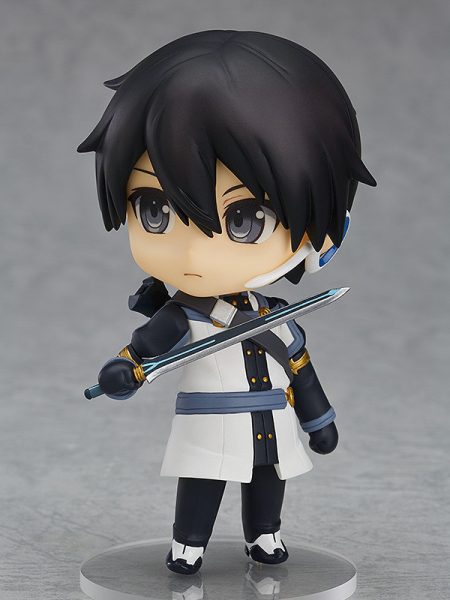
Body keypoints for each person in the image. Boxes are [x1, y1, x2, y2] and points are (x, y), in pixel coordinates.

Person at [78, 30, 376, 575]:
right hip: (210, 422)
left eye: (244, 219)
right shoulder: (185, 313)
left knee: (269, 479)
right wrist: (125, 368)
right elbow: (145, 348)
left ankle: (264, 535)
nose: (194, 253)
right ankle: (188, 544)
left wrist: (318, 420)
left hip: (270, 421)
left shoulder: (278, 320)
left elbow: (302, 372)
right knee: (204, 480)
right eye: (153, 210)